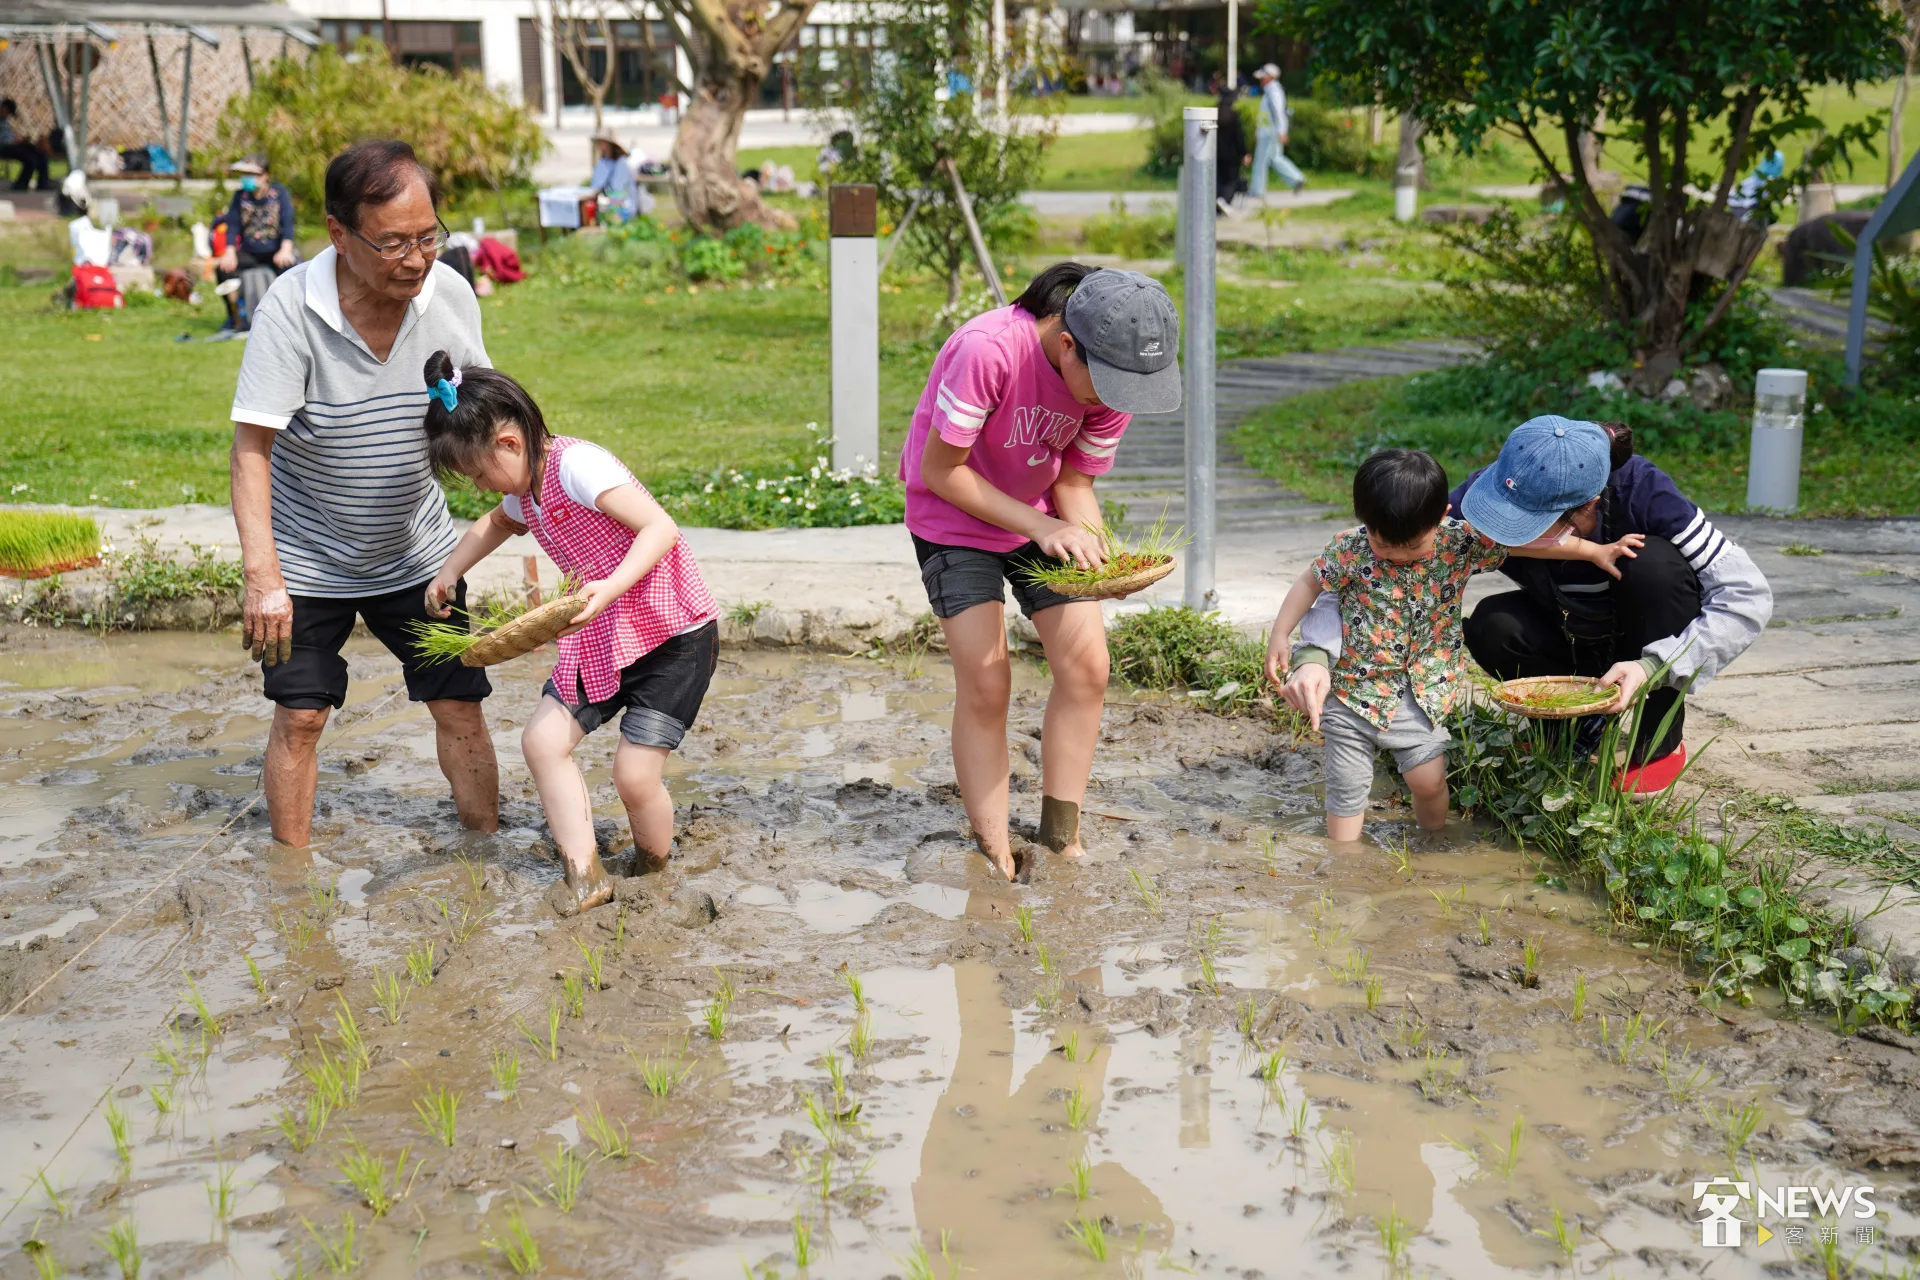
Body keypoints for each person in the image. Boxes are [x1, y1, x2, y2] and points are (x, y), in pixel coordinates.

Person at [230, 139, 500, 849]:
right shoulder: (291, 309)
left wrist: (535, 501)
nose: (416, 259)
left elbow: (485, 413)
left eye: (427, 237)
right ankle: (292, 880)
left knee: (458, 703)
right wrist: (264, 580)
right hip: (307, 558)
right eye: (393, 243)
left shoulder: (449, 294)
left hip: (418, 553)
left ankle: (485, 849)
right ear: (339, 234)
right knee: (301, 717)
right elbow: (251, 450)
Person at [903, 263, 1180, 881]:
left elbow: (1074, 482)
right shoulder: (988, 351)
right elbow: (941, 472)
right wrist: (1042, 527)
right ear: (1067, 344)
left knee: (1088, 668)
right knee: (987, 682)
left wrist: (1101, 558)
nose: (1112, 400)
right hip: (954, 517)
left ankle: (1061, 837)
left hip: (1042, 516)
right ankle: (995, 847)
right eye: (1104, 386)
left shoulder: (1114, 382)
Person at [418, 353, 718, 912]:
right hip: (601, 634)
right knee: (542, 741)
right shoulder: (525, 487)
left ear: (509, 442)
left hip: (671, 636)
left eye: (478, 474)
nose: (479, 486)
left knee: (634, 776)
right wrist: (450, 570)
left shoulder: (578, 466)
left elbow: (660, 527)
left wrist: (609, 586)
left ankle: (654, 872)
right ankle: (586, 874)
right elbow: (496, 523)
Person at [1263, 448, 1643, 840]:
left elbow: (1528, 543)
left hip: (1420, 696)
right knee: (1346, 790)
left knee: (1429, 784)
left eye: (1413, 546)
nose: (1398, 555)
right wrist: (1280, 634)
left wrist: (1594, 551)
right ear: (1364, 520)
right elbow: (1310, 582)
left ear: (1442, 516)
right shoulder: (1349, 548)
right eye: (1383, 544)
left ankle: (1433, 841)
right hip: (1351, 694)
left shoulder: (1457, 543)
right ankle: (1343, 863)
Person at [1451, 418, 1772, 793]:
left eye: (1523, 524)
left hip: (1644, 635)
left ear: (1588, 506)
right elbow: (1419, 544)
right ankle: (1569, 727)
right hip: (1569, 629)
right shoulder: (1502, 486)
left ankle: (1657, 741)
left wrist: (1655, 666)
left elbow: (1747, 596)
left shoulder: (1643, 491)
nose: (1501, 528)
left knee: (1651, 564)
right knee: (1493, 625)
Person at [215, 154, 298, 335]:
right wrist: (229, 252)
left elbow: (288, 223)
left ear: (265, 175)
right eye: (244, 175)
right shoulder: (240, 196)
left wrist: (285, 250)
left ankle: (294, 319)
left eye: (251, 174)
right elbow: (233, 226)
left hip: (275, 252)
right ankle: (234, 317)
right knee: (222, 269)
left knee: (296, 271)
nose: (247, 179)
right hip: (250, 253)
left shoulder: (279, 193)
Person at [1249, 64, 1305, 198]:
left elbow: (1278, 112)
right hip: (1269, 131)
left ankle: (1257, 190)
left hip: (1270, 132)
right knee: (1275, 158)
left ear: (1270, 77)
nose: (1261, 80)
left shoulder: (1274, 91)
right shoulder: (1271, 91)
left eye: (1263, 77)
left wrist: (1281, 131)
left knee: (1261, 161)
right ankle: (1296, 178)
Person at [0, 98, 51, 191]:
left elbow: (10, 135)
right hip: (4, 148)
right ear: (3, 108)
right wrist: (16, 141)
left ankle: (43, 183)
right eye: (7, 113)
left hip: (13, 146)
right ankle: (21, 185)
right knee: (30, 159)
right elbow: (4, 140)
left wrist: (22, 140)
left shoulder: (5, 121)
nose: (7, 116)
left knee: (40, 153)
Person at [1213, 80, 1248, 215]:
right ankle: (1224, 200)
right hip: (1232, 155)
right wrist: (1244, 153)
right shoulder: (1233, 116)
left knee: (1218, 179)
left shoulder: (1213, 113)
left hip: (1216, 152)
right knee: (1231, 180)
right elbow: (1239, 137)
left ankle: (1216, 201)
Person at [587, 134, 639, 222]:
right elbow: (595, 186)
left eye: (602, 143)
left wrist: (608, 207)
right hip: (604, 205)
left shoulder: (622, 163)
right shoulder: (602, 163)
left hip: (622, 207)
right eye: (599, 143)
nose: (600, 146)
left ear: (610, 145)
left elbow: (618, 191)